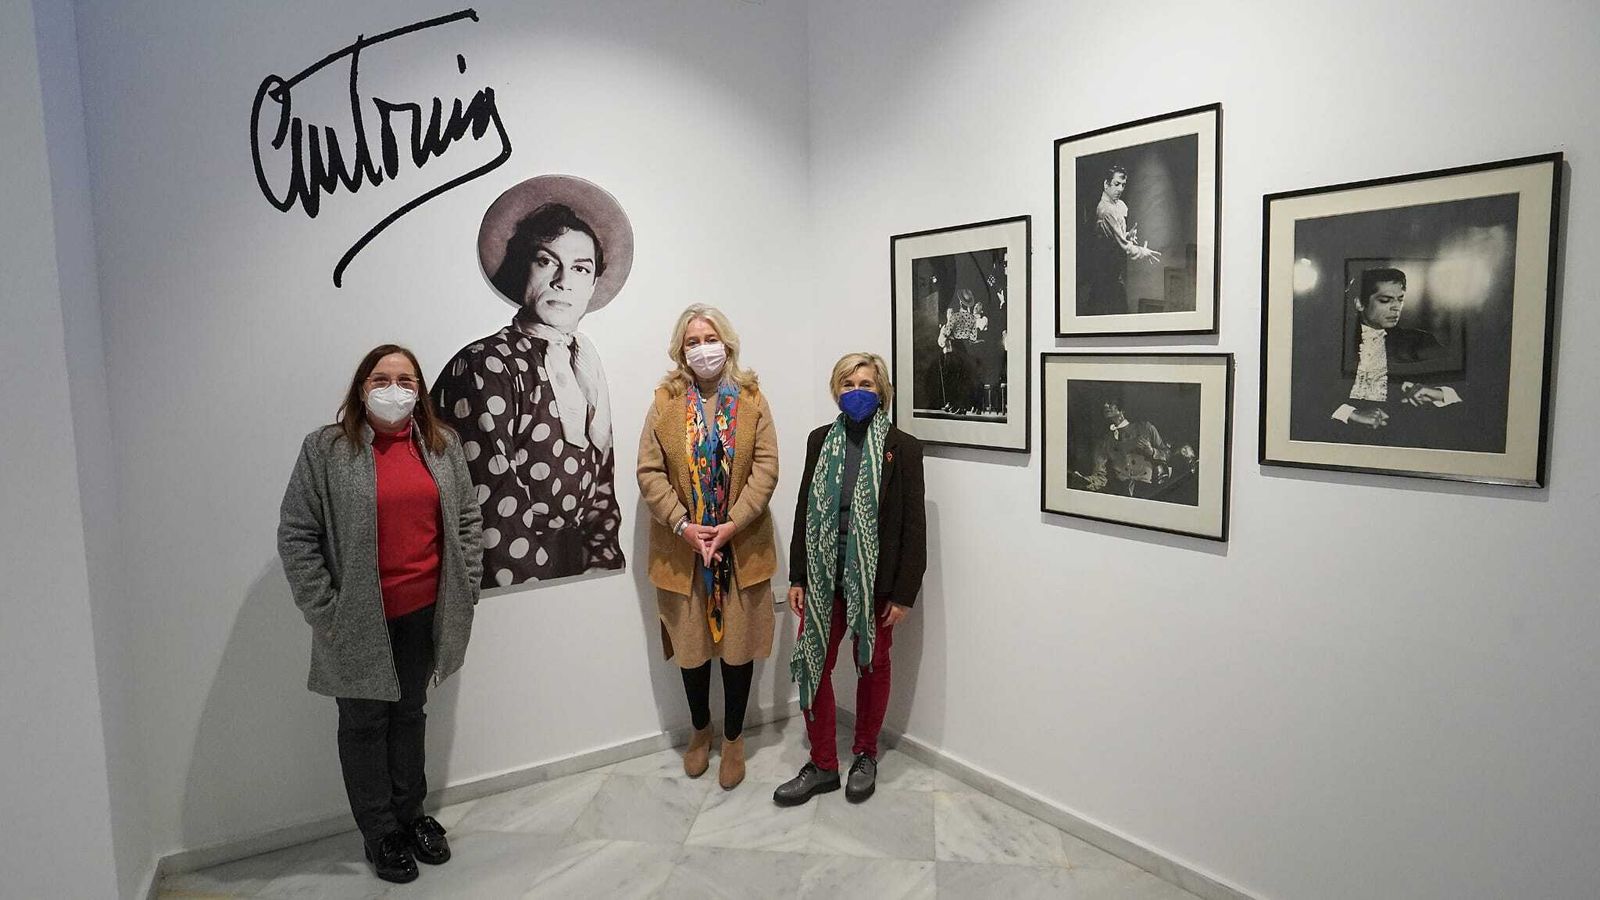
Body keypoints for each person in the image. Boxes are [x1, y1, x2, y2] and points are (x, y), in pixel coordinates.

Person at [277, 344, 483, 884]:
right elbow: (298, 534)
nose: (395, 389)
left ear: (421, 390)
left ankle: (411, 817)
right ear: (361, 387)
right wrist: (326, 611)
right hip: (359, 621)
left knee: (409, 714)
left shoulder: (442, 445)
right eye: (382, 378)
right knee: (365, 724)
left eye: (407, 379)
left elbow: (466, 520)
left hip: (425, 612)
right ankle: (380, 831)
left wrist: (468, 586)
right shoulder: (326, 449)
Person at [433, 175, 633, 589]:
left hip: (575, 574)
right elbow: (492, 503)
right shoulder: (485, 364)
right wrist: (541, 595)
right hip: (512, 576)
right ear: (522, 265)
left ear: (594, 283)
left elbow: (601, 491)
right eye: (546, 261)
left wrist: (602, 572)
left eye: (580, 267)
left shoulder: (586, 366)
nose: (563, 280)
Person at [637, 305, 780, 790]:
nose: (703, 348)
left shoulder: (753, 398)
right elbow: (649, 471)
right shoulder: (664, 402)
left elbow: (766, 466)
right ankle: (702, 732)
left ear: (728, 343)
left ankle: (735, 739)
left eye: (710, 337)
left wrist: (731, 523)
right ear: (681, 350)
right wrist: (683, 525)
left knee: (737, 650)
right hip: (683, 552)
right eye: (693, 340)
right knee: (694, 651)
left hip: (740, 548)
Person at [775, 352, 926, 806]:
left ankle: (865, 754)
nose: (856, 391)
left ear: (882, 391)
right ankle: (822, 763)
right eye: (847, 383)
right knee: (814, 663)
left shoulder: (903, 447)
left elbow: (913, 527)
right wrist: (798, 575)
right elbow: (805, 509)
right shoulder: (819, 440)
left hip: (875, 585)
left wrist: (903, 593)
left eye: (865, 383)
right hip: (823, 581)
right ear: (835, 391)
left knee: (872, 666)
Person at [1331, 267, 1462, 429]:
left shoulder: (1420, 340)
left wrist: (1439, 393)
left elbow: (1466, 390)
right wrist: (1350, 413)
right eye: (1385, 300)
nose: (1396, 307)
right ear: (1359, 303)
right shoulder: (1334, 341)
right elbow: (1308, 396)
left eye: (1400, 299)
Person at [1081, 164, 1162, 315]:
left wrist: (1127, 235)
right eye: (1116, 184)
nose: (1120, 189)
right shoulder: (1107, 210)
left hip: (1112, 274)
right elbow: (1123, 246)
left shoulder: (1118, 206)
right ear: (1106, 184)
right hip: (1106, 277)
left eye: (1123, 185)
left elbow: (1114, 238)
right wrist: (1142, 251)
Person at [1077, 398, 1168, 496]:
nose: (1105, 405)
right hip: (1122, 493)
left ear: (1122, 409)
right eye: (1103, 403)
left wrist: (1152, 451)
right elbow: (1100, 476)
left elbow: (1167, 453)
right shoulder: (1105, 441)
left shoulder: (1145, 428)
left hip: (1151, 491)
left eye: (1110, 402)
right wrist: (1084, 481)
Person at [936, 287, 986, 413]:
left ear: (959, 302)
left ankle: (958, 406)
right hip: (967, 352)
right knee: (964, 380)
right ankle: (962, 406)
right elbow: (973, 337)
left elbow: (947, 333)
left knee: (956, 380)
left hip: (956, 350)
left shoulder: (955, 317)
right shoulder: (972, 319)